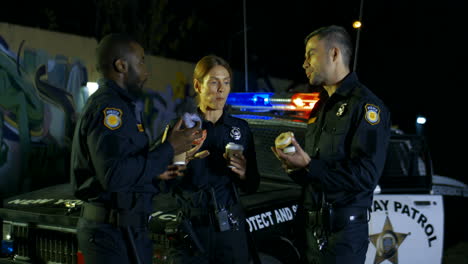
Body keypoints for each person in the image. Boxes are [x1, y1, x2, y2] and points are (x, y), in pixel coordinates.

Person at [70, 33, 201, 264]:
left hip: (127, 232)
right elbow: (114, 176)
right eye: (141, 61)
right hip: (110, 236)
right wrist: (169, 147)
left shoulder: (124, 106)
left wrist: (174, 159)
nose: (146, 72)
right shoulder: (110, 110)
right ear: (121, 65)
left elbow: (133, 171)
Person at [272, 25, 391, 264]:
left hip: (343, 237)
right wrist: (296, 168)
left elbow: (366, 175)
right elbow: (317, 173)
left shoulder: (366, 106)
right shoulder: (320, 108)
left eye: (311, 54)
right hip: (308, 231)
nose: (304, 63)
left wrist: (309, 164)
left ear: (334, 54)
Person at [172, 55, 260, 263]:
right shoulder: (181, 129)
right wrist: (178, 161)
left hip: (230, 229)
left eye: (226, 82)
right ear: (197, 85)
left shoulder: (240, 129)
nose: (221, 89)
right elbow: (163, 183)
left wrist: (245, 172)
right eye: (214, 81)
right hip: (192, 231)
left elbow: (253, 184)